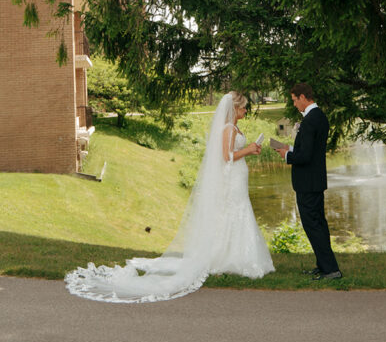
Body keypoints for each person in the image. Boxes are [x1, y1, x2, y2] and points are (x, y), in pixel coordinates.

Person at [65, 91, 274, 302]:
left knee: (238, 213)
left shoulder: (235, 128)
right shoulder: (228, 128)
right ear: (234, 109)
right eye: (243, 107)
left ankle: (235, 256)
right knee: (232, 213)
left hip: (238, 178)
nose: (246, 110)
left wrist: (251, 149)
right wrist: (247, 150)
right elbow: (226, 157)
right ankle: (224, 258)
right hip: (231, 179)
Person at [276, 82, 341, 280]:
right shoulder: (317, 117)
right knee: (317, 224)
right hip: (313, 181)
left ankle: (331, 270)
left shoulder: (311, 120)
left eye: (295, 100)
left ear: (303, 97)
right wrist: (291, 148)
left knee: (313, 224)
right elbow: (309, 152)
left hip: (309, 183)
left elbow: (305, 157)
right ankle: (323, 265)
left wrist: (287, 155)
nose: (295, 104)